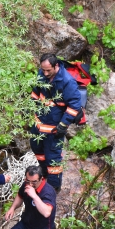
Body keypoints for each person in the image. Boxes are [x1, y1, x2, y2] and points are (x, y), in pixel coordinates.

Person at [30, 53, 83, 191]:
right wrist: (29, 110)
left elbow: (74, 105)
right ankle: (43, 177)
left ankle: (53, 188)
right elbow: (35, 94)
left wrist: (63, 125)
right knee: (38, 151)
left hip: (54, 128)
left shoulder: (66, 81)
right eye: (43, 70)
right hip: (38, 123)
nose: (45, 73)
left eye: (48, 70)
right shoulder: (41, 74)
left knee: (53, 159)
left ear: (56, 66)